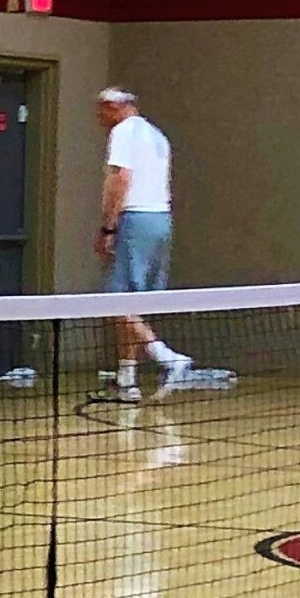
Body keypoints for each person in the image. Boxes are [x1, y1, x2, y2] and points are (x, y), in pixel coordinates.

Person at [94, 87, 199, 399]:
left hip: (135, 220)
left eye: (101, 111)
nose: (98, 118)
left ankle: (167, 358)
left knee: (114, 300)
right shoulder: (157, 135)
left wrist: (108, 227)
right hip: (161, 220)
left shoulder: (123, 132)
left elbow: (120, 179)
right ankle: (127, 380)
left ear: (114, 107)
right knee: (134, 303)